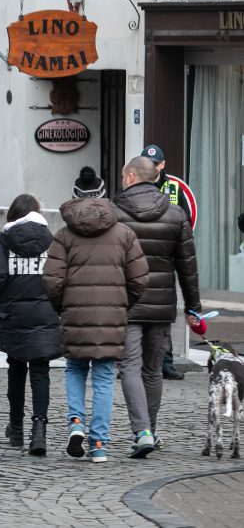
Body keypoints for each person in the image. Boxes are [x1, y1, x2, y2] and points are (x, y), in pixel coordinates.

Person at [44, 196, 148, 463]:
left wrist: (63, 307)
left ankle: (76, 421)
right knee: (103, 378)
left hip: (75, 313)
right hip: (112, 315)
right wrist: (122, 304)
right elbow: (139, 278)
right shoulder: (124, 234)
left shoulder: (64, 235)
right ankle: (99, 444)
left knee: (75, 368)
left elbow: (52, 281)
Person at [112, 155, 202, 457]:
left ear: (131, 178)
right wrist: (193, 308)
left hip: (127, 302)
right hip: (162, 304)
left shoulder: (115, 212)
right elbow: (187, 266)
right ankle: (149, 429)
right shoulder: (176, 214)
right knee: (152, 370)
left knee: (130, 367)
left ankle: (143, 432)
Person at [0, 193, 62, 455]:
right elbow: (61, 276)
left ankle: (16, 429)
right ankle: (39, 430)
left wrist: (5, 294)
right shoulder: (52, 241)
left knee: (16, 370)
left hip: (15, 315)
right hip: (45, 314)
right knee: (41, 371)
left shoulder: (6, 240)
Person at [139, 144, 192, 381]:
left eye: (155, 164)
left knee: (163, 314)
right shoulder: (133, 185)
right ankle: (134, 364)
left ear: (163, 165)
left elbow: (185, 224)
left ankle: (166, 363)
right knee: (136, 313)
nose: (151, 167)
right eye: (147, 163)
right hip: (138, 259)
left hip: (165, 260)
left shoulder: (174, 188)